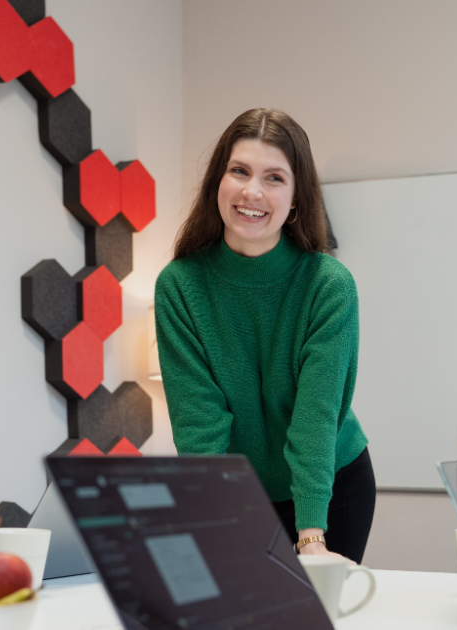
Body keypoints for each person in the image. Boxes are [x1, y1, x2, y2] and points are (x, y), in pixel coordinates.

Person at [154, 108, 374, 563]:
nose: (252, 191)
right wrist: (211, 518)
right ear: (219, 180)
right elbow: (199, 428)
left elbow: (316, 417)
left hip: (329, 487)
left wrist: (311, 536)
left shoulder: (328, 286)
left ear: (296, 199)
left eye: (275, 177)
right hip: (241, 493)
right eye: (239, 171)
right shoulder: (179, 285)